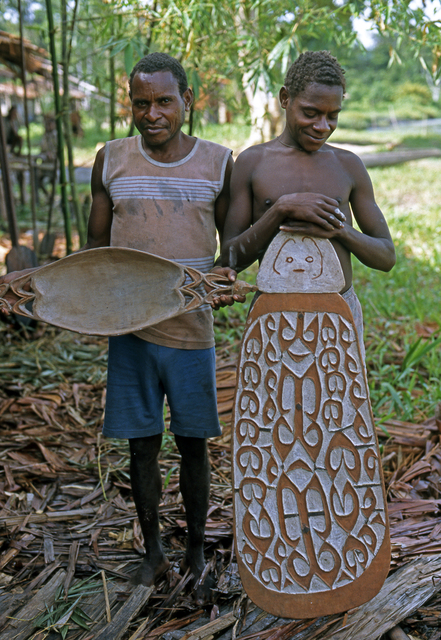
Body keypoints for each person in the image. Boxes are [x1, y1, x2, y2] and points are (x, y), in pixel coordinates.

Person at [0, 52, 242, 603]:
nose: (151, 113)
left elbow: (231, 251)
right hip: (127, 330)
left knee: (193, 444)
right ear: (129, 103)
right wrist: (38, 293)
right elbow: (94, 257)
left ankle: (197, 551)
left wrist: (226, 282)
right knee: (140, 446)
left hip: (189, 331)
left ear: (188, 101)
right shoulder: (109, 160)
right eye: (140, 102)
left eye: (162, 101)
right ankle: (153, 551)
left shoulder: (218, 163)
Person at [221, 50, 396, 349]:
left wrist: (340, 230)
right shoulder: (253, 162)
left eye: (333, 115)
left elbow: (386, 257)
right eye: (311, 113)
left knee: (337, 396)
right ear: (285, 98)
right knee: (274, 396)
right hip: (273, 313)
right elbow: (229, 258)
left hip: (338, 312)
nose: (322, 126)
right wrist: (280, 210)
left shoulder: (348, 166)